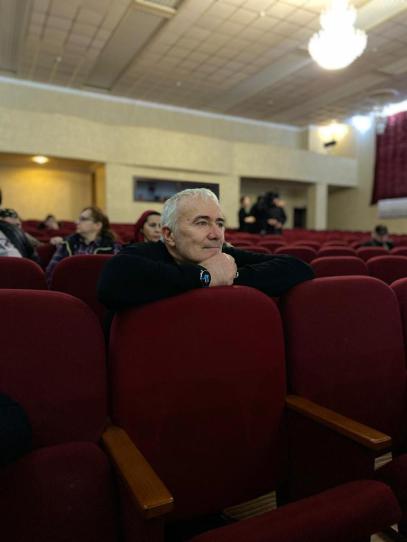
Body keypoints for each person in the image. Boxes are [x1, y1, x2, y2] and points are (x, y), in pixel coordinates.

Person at [97, 188, 314, 311]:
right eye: (201, 223)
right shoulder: (147, 253)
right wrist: (206, 276)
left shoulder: (222, 256)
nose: (216, 234)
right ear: (169, 235)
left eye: (220, 223)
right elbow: (113, 280)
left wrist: (230, 275)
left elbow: (298, 268)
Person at [46, 206, 121, 282]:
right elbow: (51, 272)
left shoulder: (112, 247)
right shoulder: (67, 244)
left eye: (83, 219)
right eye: (79, 219)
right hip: (70, 286)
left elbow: (117, 276)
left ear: (97, 225)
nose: (77, 222)